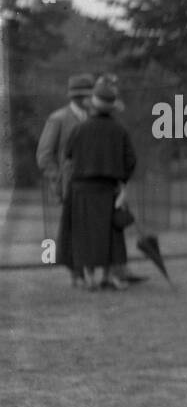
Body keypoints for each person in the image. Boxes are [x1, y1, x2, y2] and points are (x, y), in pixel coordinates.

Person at [63, 75, 136, 291]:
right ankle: (107, 275)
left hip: (81, 191)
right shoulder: (120, 131)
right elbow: (131, 161)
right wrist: (122, 181)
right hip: (108, 190)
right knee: (108, 236)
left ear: (93, 106)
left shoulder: (79, 129)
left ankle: (89, 277)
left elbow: (68, 156)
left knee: (85, 236)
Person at [36, 73, 94, 285]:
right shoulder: (58, 118)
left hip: (94, 185)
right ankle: (76, 272)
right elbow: (44, 155)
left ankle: (93, 270)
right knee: (74, 231)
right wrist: (57, 179)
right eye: (85, 95)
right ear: (76, 97)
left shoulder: (95, 118)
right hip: (70, 186)